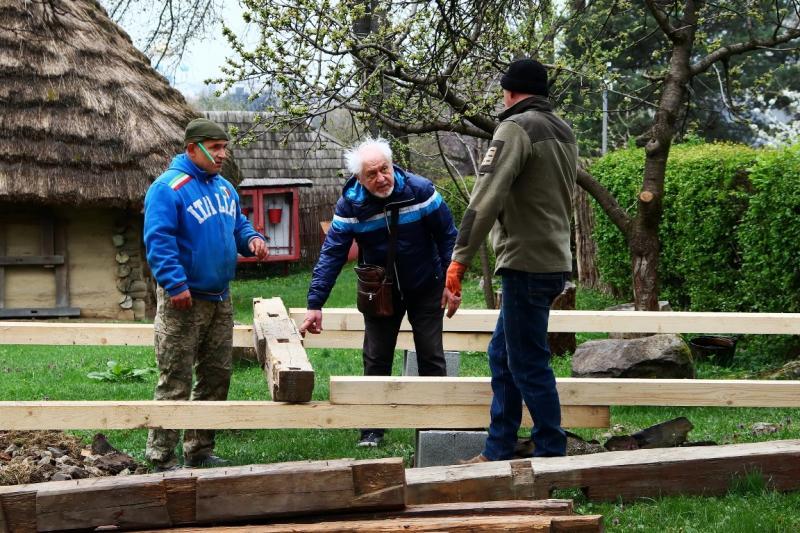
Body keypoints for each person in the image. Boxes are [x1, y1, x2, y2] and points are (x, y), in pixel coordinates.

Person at [446, 58, 577, 460]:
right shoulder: (563, 130)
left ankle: (550, 452)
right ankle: (498, 449)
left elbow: (485, 197)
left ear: (510, 92)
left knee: (527, 362)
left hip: (525, 263)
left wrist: (458, 261)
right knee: (503, 356)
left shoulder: (516, 127)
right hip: (553, 260)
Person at [299, 137, 459, 447]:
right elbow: (331, 255)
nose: (381, 178)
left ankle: (435, 425)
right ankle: (372, 429)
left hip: (426, 284)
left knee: (431, 354)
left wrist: (450, 283)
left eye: (384, 169)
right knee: (376, 358)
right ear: (359, 178)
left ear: (392, 164)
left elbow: (447, 237)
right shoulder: (350, 205)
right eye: (371, 174)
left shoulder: (421, 191)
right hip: (379, 290)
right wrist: (315, 303)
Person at [143, 118, 268, 471]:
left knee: (216, 376)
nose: (222, 154)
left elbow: (238, 224)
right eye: (215, 148)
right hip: (183, 299)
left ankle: (199, 449)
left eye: (224, 148)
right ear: (192, 149)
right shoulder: (168, 188)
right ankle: (160, 456)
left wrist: (252, 239)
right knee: (176, 378)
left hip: (219, 298)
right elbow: (158, 240)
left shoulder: (225, 188)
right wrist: (175, 284)